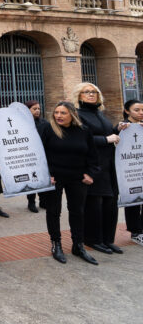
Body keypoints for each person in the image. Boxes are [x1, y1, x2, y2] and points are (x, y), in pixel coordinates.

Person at [38, 101, 100, 265]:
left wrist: (91, 173)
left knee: (77, 211)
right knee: (53, 211)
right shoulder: (48, 129)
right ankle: (56, 244)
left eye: (63, 113)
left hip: (78, 177)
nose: (58, 116)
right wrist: (47, 174)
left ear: (72, 114)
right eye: (56, 112)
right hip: (54, 178)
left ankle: (78, 245)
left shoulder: (84, 131)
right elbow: (40, 154)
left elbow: (93, 156)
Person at [74, 82, 122, 255]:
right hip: (93, 165)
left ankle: (108, 239)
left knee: (110, 203)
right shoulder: (78, 115)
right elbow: (80, 139)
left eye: (94, 92)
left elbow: (107, 132)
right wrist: (105, 140)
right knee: (95, 204)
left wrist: (118, 129)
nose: (91, 94)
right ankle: (94, 239)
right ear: (79, 96)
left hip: (108, 164)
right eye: (87, 92)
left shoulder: (99, 113)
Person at [121, 99, 143, 247]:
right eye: (137, 110)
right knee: (133, 201)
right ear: (127, 111)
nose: (141, 113)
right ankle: (136, 232)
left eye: (142, 110)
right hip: (130, 169)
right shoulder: (122, 127)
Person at [25, 100, 45, 213]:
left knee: (42, 178)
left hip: (42, 155)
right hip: (29, 156)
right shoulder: (22, 124)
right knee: (31, 179)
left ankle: (43, 200)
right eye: (34, 109)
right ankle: (31, 202)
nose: (37, 111)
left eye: (38, 108)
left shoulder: (44, 123)